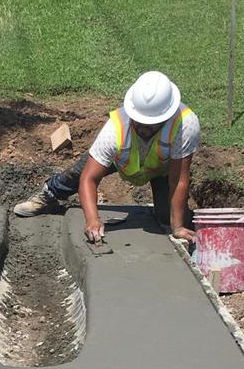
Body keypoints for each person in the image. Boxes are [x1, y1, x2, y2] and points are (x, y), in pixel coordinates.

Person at [15, 71, 200, 244]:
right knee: (78, 172)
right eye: (140, 122)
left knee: (169, 218)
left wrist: (178, 226)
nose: (144, 128)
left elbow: (178, 179)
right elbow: (89, 179)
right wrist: (93, 220)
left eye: (151, 125)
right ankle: (49, 194)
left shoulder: (185, 124)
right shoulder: (115, 129)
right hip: (121, 159)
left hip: (162, 169)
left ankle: (194, 221)